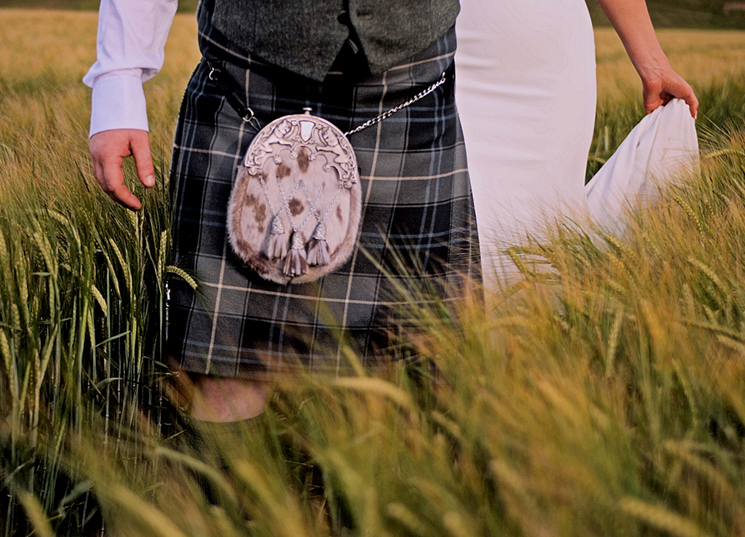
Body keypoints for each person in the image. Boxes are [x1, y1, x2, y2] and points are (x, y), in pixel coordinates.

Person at [85, 0, 478, 426]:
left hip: (410, 86)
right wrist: (118, 78)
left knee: (419, 372)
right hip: (247, 81)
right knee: (225, 371)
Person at [455, 0, 699, 289]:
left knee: (539, 217)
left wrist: (655, 66)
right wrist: (654, 64)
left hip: (510, 47)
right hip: (487, 42)